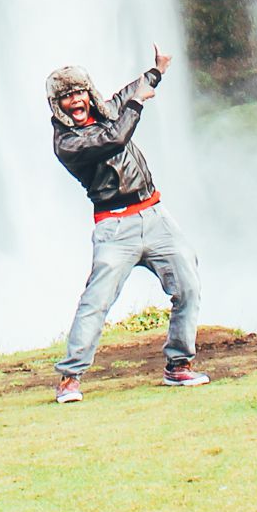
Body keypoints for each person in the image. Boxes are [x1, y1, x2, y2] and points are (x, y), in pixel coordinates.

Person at [47, 46, 208, 404]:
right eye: (66, 97)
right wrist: (138, 105)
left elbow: (125, 94)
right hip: (114, 228)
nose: (75, 100)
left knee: (189, 286)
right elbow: (116, 138)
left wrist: (157, 71)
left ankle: (178, 365)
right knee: (97, 302)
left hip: (155, 216)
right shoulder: (68, 142)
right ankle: (70, 378)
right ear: (57, 105)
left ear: (88, 93)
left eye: (78, 92)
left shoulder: (105, 111)